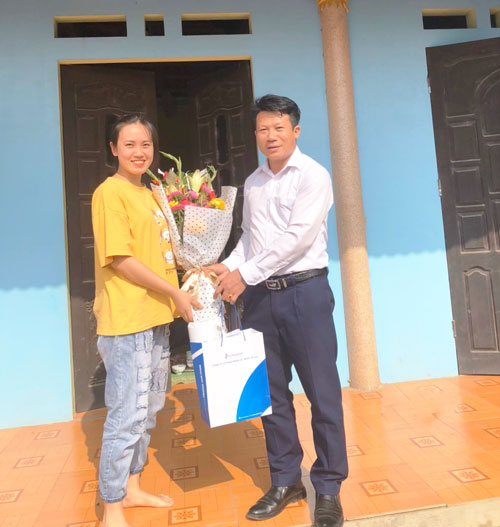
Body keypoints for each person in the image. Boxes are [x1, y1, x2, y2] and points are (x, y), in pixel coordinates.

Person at [206, 95, 348, 527]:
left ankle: (328, 487)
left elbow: (297, 238)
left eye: (279, 128)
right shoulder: (253, 182)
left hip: (305, 293)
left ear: (295, 131)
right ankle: (286, 480)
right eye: (263, 129)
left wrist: (244, 274)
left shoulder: (313, 175)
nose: (271, 136)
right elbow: (250, 238)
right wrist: (228, 266)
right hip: (261, 300)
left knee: (322, 393)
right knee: (271, 395)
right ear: (255, 134)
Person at [91, 115, 202, 527]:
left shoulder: (152, 193)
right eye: (129, 144)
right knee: (126, 415)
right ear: (113, 149)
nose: (139, 152)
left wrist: (194, 272)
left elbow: (163, 252)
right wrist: (175, 292)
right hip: (128, 320)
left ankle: (133, 487)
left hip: (156, 316)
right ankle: (112, 507)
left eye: (146, 145)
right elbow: (120, 259)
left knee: (148, 409)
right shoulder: (110, 193)